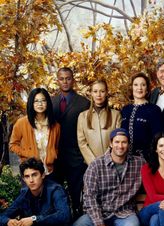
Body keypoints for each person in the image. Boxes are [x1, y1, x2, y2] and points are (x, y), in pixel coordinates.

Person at [52, 67, 90, 217]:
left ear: (73, 80)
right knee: (57, 196)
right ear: (57, 81)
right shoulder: (51, 102)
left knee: (77, 197)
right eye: (62, 79)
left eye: (68, 78)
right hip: (55, 158)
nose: (65, 81)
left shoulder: (83, 103)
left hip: (76, 158)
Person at [10, 88, 60, 179]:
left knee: (50, 193)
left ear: (47, 103)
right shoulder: (21, 123)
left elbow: (56, 147)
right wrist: (28, 153)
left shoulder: (55, 126)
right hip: (30, 172)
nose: (40, 104)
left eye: (43, 100)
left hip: (49, 171)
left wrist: (53, 155)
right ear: (31, 103)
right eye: (36, 101)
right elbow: (13, 145)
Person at [77, 79, 121, 165]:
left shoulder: (116, 115)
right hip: (91, 165)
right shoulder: (82, 117)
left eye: (102, 91)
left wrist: (107, 159)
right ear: (91, 93)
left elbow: (117, 140)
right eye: (95, 91)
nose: (98, 95)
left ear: (106, 93)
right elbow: (82, 143)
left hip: (111, 162)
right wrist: (94, 163)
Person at [121, 72, 163, 160]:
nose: (139, 88)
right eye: (136, 85)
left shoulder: (154, 110)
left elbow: (157, 138)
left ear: (147, 89)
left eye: (143, 85)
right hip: (124, 159)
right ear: (131, 88)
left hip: (145, 159)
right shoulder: (125, 110)